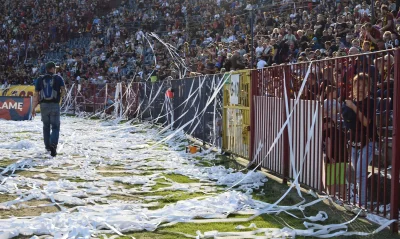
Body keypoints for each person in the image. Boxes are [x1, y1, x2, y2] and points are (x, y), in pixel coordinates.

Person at [342, 73, 375, 207]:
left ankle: (361, 204)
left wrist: (354, 108)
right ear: (353, 86)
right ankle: (361, 200)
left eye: (364, 85)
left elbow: (367, 122)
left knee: (360, 173)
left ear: (368, 87)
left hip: (368, 140)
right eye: (357, 84)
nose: (360, 87)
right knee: (357, 174)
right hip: (354, 141)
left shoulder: (370, 102)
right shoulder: (350, 102)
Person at [32, 62, 66, 157]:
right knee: (55, 126)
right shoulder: (58, 78)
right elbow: (64, 91)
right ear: (52, 69)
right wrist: (59, 96)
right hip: (54, 105)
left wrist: (33, 108)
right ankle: (53, 145)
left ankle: (47, 146)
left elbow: (36, 95)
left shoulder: (40, 79)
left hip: (43, 106)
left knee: (46, 126)